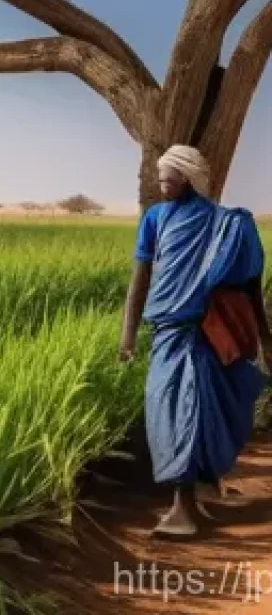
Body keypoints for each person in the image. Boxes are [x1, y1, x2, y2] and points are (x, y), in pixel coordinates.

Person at [119, 145, 269, 537]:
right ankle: (189, 500)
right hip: (167, 333)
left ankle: (184, 507)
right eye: (160, 177)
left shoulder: (228, 224)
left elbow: (250, 285)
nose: (162, 184)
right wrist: (128, 334)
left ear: (188, 179)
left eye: (169, 178)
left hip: (206, 334)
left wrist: (265, 338)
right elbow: (141, 280)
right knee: (166, 410)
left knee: (193, 413)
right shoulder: (155, 218)